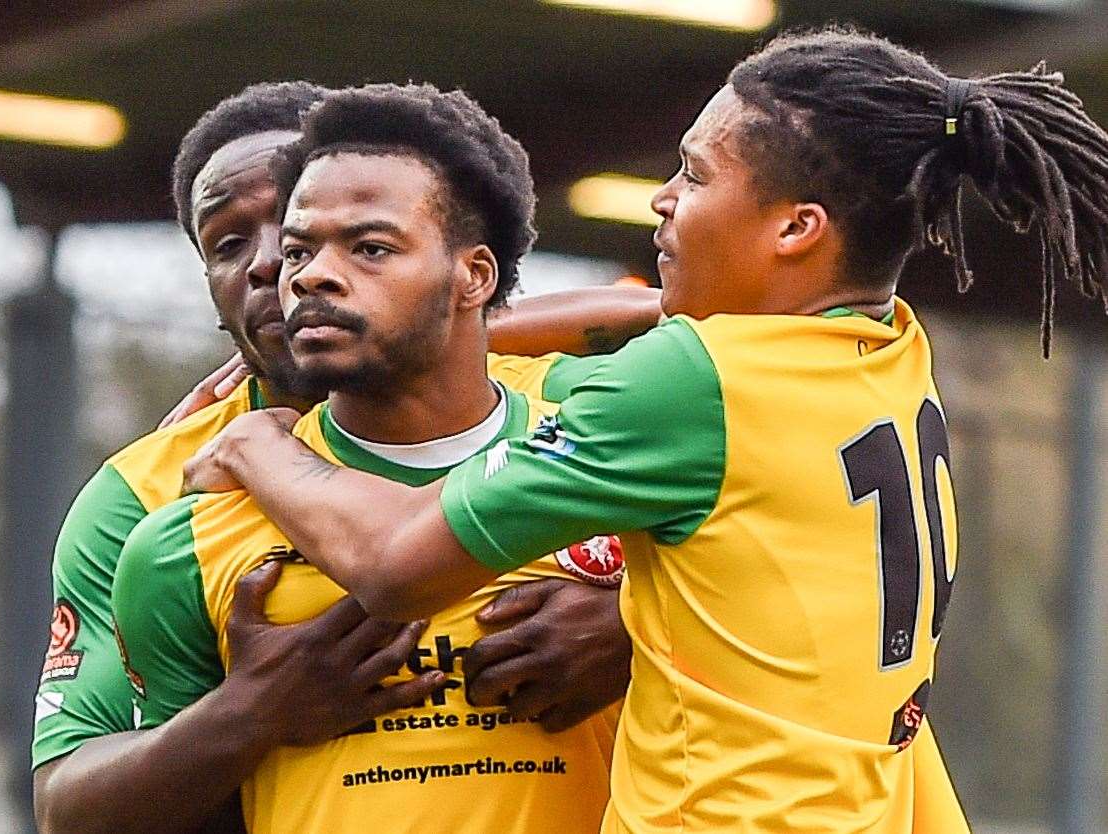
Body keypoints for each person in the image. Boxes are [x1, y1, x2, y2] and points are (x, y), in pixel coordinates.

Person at [186, 27, 1108, 833]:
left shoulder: (683, 388)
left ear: (796, 228)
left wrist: (258, 441)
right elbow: (651, 326)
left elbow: (393, 566)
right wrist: (428, 324)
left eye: (694, 176)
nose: (661, 200)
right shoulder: (885, 349)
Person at [32, 80, 658, 834]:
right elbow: (72, 806)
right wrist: (248, 713)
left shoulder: (590, 418)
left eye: (365, 242)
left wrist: (636, 626)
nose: (282, 269)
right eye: (234, 242)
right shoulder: (151, 506)